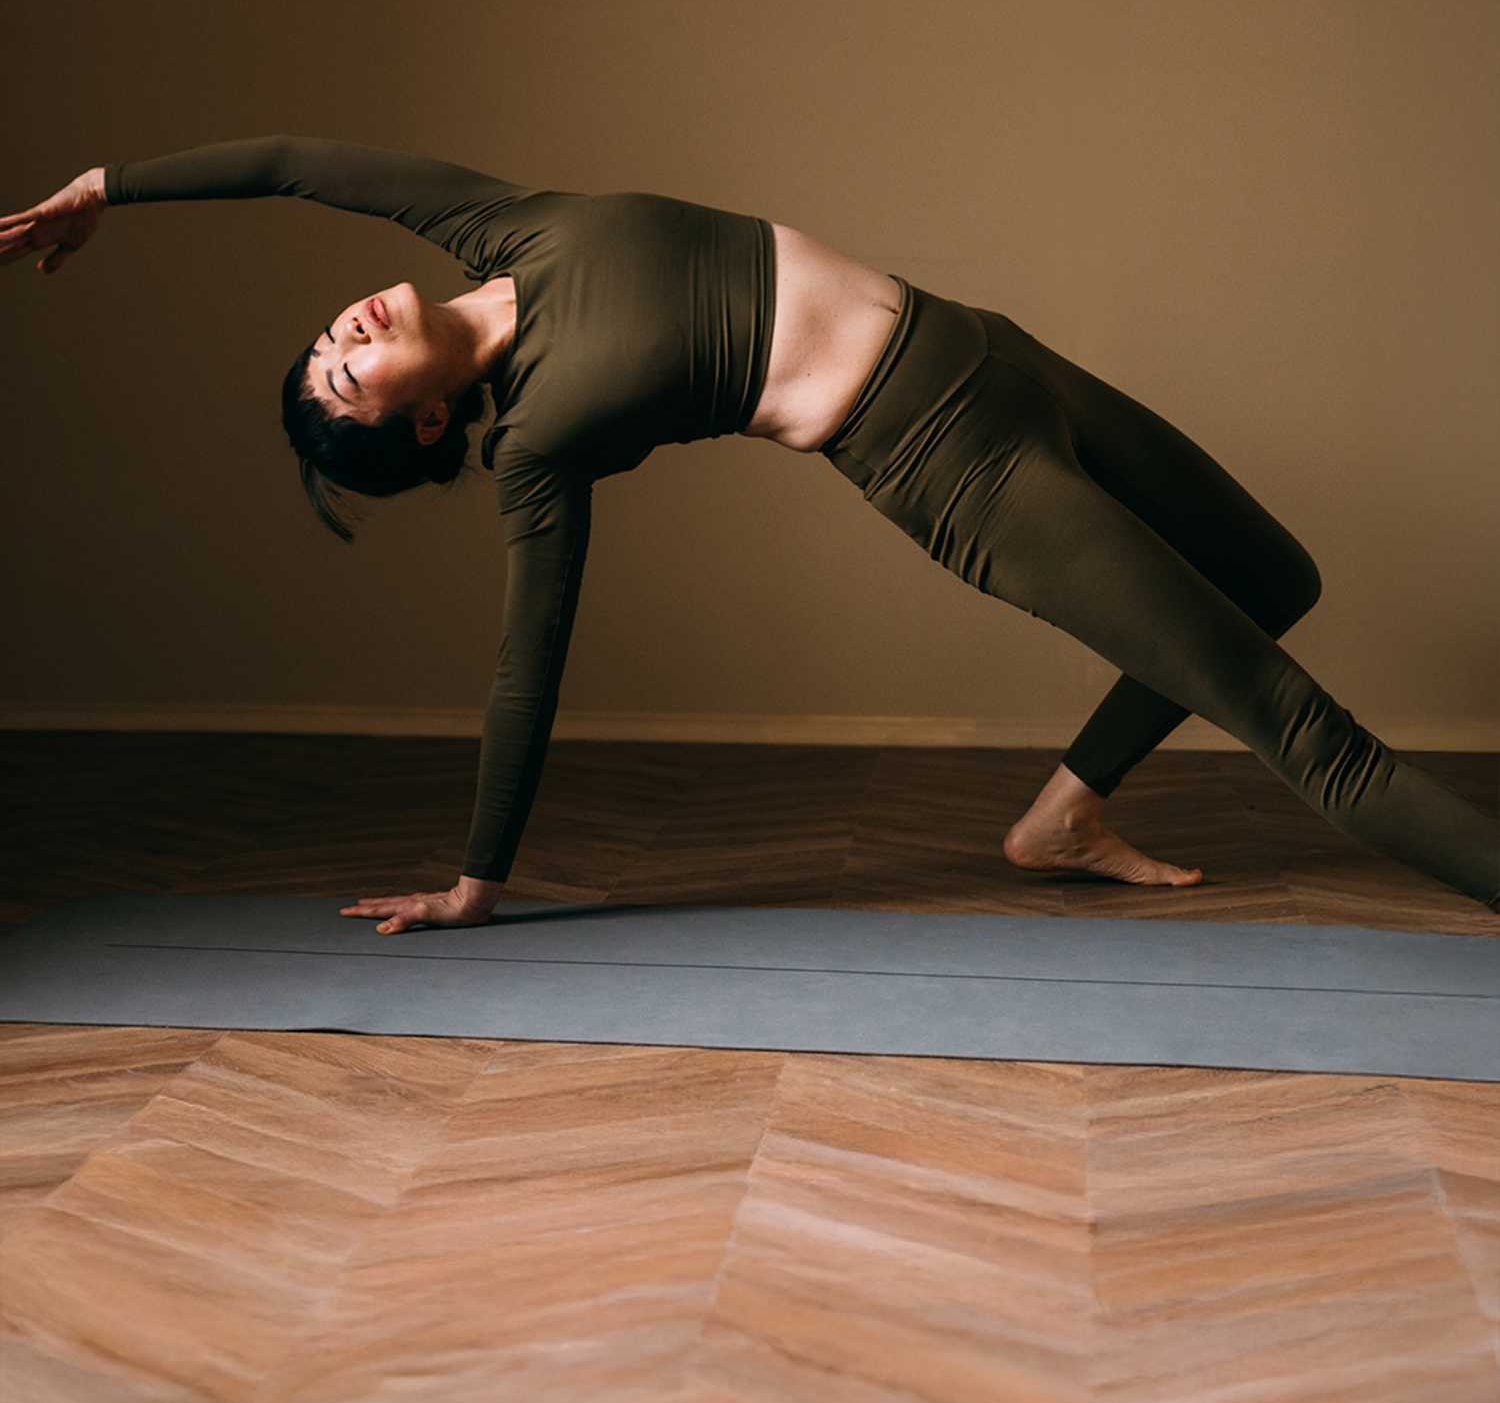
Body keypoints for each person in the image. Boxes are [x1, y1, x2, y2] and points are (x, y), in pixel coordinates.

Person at [5, 136, 1496, 931]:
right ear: (426, 431)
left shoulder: (501, 227)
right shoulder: (536, 445)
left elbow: (288, 160)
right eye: (343, 376)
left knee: (1275, 574)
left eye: (323, 337)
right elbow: (531, 659)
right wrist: (479, 878)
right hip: (951, 464)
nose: (339, 334)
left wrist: (103, 189)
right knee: (1310, 732)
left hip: (996, 355)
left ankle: (1062, 817)